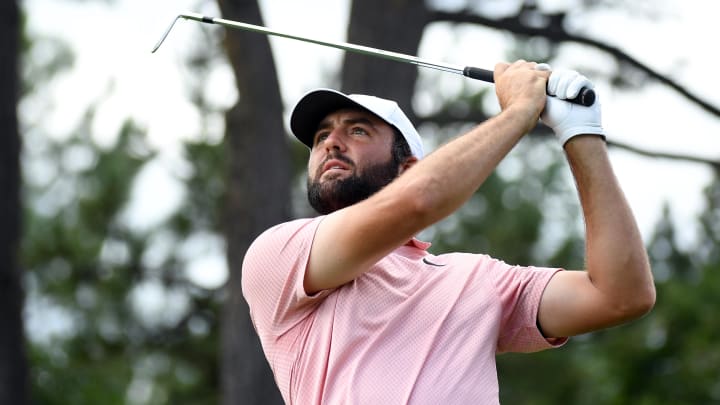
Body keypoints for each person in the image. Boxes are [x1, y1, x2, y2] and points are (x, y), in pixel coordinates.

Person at [241, 60, 656, 404]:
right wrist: (517, 113)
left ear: (407, 168)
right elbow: (417, 202)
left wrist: (580, 132)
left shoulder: (478, 279)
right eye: (320, 136)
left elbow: (621, 295)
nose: (331, 142)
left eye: (357, 130)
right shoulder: (279, 254)